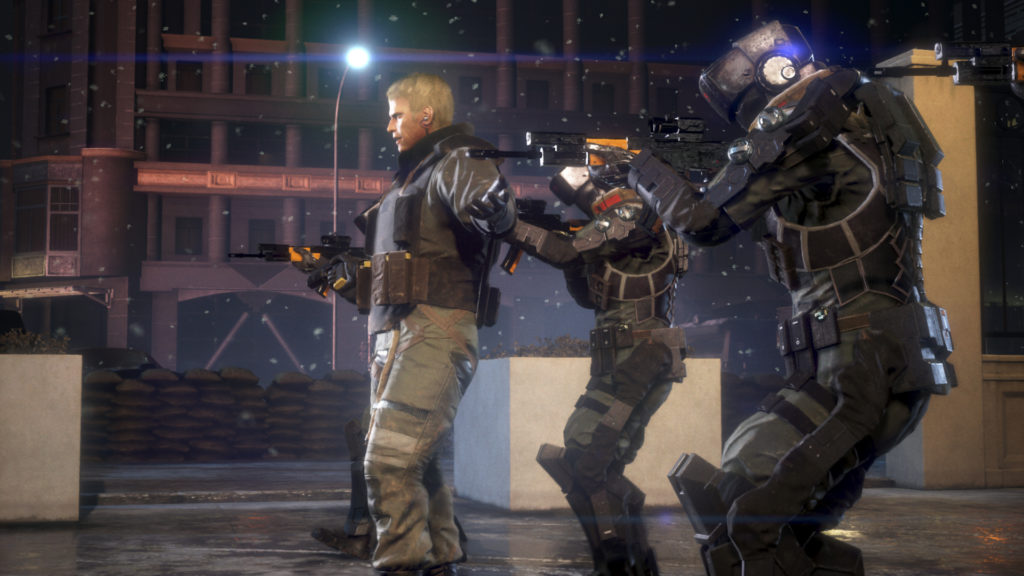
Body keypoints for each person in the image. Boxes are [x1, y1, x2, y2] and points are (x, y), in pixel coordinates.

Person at [625, 21, 957, 575]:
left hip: (857, 372)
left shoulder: (809, 129)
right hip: (876, 363)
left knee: (747, 513)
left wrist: (640, 168)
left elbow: (702, 222)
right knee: (748, 500)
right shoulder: (870, 117)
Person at [307, 72, 515, 576]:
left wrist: (492, 211)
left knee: (390, 463)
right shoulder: (413, 177)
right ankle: (440, 558)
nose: (389, 126)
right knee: (419, 464)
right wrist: (340, 277)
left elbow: (492, 209)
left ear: (426, 115)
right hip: (400, 334)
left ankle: (401, 564)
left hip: (432, 331)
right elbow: (392, 277)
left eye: (397, 115)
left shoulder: (457, 160)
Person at [504, 160, 687, 576]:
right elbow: (590, 295)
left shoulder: (631, 210)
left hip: (638, 359)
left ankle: (618, 563)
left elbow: (567, 251)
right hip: (624, 359)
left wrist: (509, 227)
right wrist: (569, 256)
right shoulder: (622, 226)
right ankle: (630, 562)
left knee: (586, 458)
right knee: (594, 463)